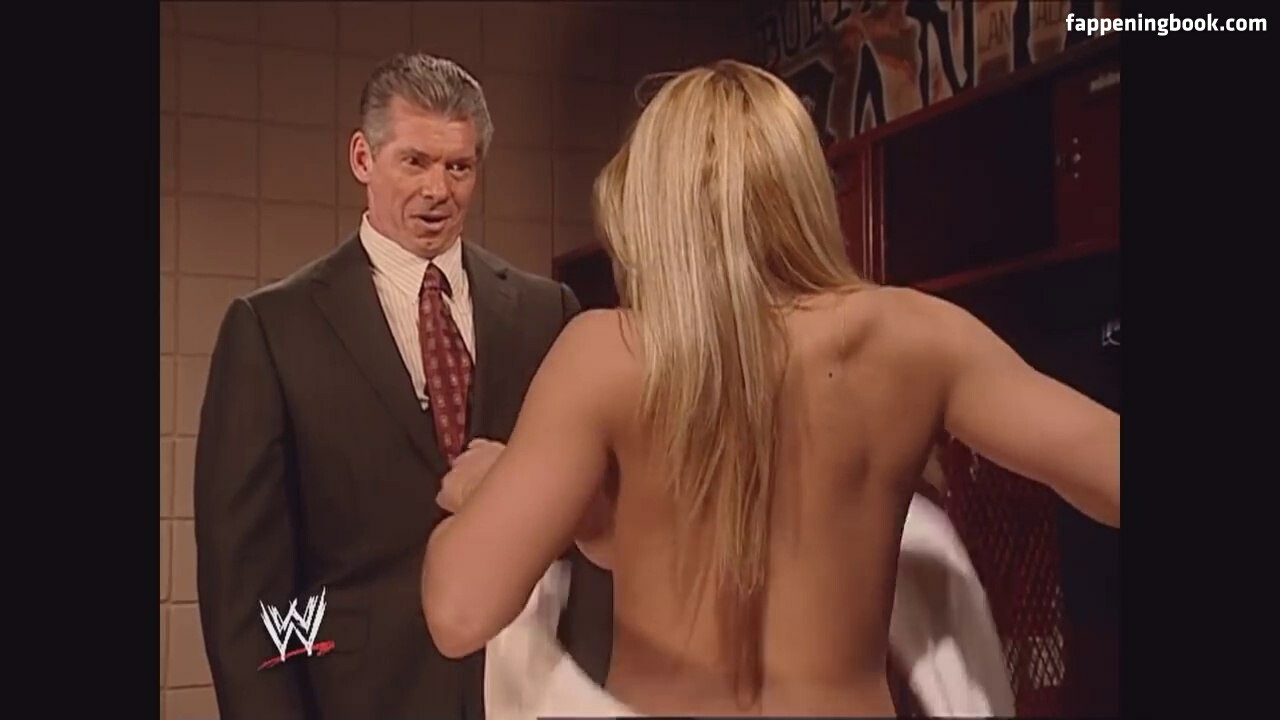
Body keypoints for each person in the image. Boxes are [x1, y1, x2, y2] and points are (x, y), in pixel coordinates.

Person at [420, 59, 1120, 717]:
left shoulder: (608, 353)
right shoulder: (918, 338)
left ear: (652, 207)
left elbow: (459, 613)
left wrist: (496, 485)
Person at [193, 53, 610, 720]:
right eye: (414, 162)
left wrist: (588, 690)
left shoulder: (547, 313)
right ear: (363, 157)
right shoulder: (273, 329)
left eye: (459, 167)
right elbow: (249, 589)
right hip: (359, 698)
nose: (437, 190)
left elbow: (589, 532)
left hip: (530, 693)